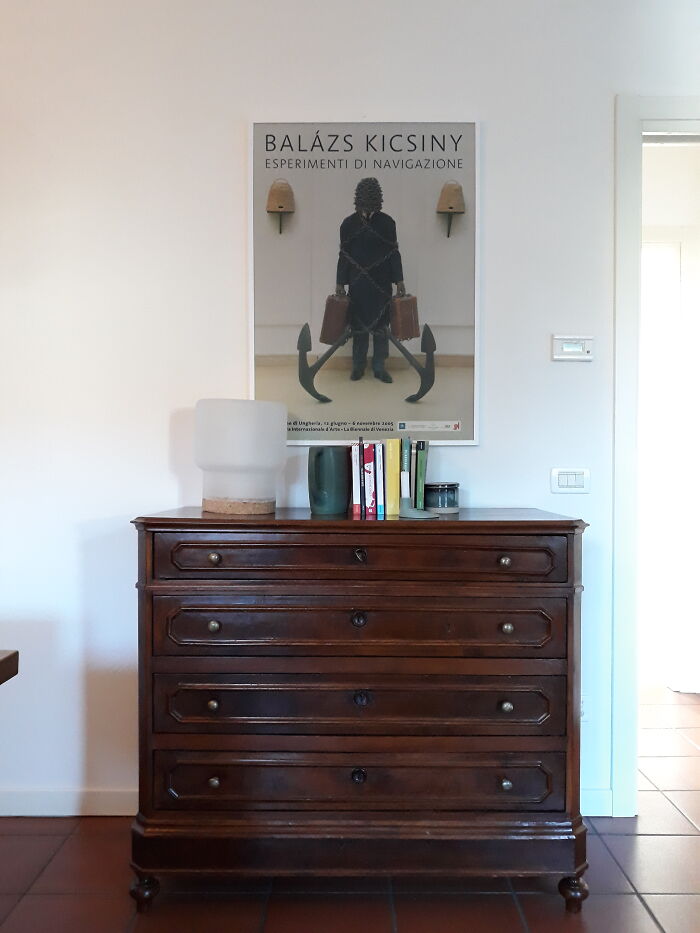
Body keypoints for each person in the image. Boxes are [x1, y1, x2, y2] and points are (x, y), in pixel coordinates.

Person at [335, 177, 406, 382]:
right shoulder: (348, 225)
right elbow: (343, 255)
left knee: (381, 327)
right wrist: (340, 282)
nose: (366, 211)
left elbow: (394, 253)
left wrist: (399, 280)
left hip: (381, 284)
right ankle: (358, 365)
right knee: (358, 327)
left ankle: (379, 366)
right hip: (358, 284)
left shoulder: (387, 223)